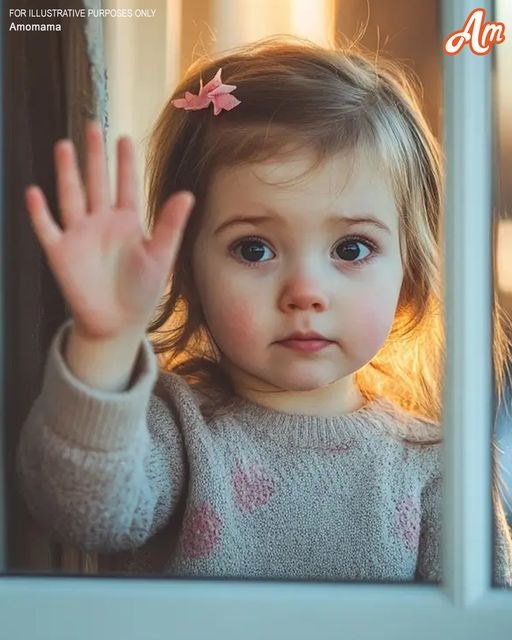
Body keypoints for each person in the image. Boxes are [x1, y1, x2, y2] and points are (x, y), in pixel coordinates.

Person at [16, 35, 512, 584]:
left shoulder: (440, 467)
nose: (305, 291)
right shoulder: (175, 427)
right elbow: (81, 511)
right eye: (254, 249)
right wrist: (103, 341)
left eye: (351, 249)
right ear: (189, 274)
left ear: (411, 277)